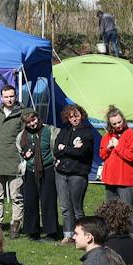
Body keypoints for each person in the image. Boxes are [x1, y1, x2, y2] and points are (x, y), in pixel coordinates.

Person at [52, 103, 96, 242]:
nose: (74, 119)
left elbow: (82, 152)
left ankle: (82, 235)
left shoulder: (87, 132)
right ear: (68, 118)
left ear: (81, 116)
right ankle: (68, 234)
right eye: (71, 117)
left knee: (77, 208)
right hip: (61, 173)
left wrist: (65, 148)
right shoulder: (64, 131)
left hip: (78, 174)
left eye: (76, 116)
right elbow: (56, 150)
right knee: (65, 207)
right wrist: (70, 148)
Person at [0, 86, 25, 232]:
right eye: (6, 96)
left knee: (16, 196)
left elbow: (25, 138)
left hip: (15, 161)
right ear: (1, 98)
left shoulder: (22, 114)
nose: (9, 99)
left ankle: (15, 224)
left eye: (11, 96)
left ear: (15, 97)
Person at [97, 107, 133, 234]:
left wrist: (118, 146)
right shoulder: (107, 136)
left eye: (119, 122)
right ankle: (113, 237)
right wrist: (108, 147)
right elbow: (102, 155)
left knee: (127, 211)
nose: (118, 125)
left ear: (123, 120)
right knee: (110, 211)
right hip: (110, 179)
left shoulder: (131, 135)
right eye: (114, 124)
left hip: (125, 180)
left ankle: (132, 238)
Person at [17, 107, 57, 240]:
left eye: (33, 120)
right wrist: (25, 155)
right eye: (28, 122)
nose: (32, 124)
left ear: (37, 117)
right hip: (29, 170)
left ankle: (51, 232)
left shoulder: (49, 131)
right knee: (30, 201)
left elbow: (54, 148)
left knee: (48, 200)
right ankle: (32, 231)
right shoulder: (22, 136)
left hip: (47, 168)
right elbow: (20, 152)